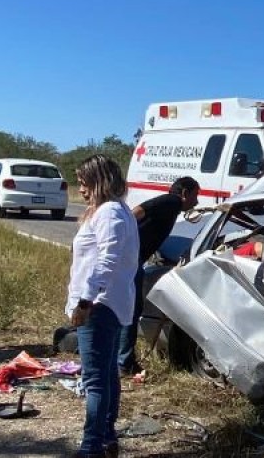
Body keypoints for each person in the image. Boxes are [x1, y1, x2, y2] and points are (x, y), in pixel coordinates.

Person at [66, 155, 139, 458]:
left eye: (84, 183)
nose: (81, 189)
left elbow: (106, 261)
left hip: (99, 305)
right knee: (107, 374)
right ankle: (106, 438)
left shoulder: (110, 213)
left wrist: (85, 302)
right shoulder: (112, 211)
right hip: (106, 302)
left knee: (95, 380)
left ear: (100, 181)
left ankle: (90, 446)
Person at [117, 176, 200, 376]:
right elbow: (137, 211)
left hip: (131, 259)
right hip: (130, 260)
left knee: (127, 309)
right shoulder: (171, 201)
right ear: (184, 193)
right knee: (131, 309)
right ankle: (124, 362)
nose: (196, 202)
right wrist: (123, 237)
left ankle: (122, 360)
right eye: (195, 196)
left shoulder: (172, 208)